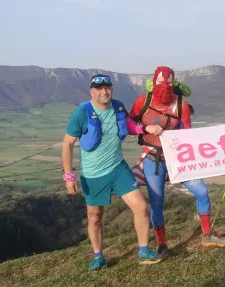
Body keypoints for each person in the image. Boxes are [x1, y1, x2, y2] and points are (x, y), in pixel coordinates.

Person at [61, 74, 164, 271]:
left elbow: (129, 126)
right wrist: (68, 176)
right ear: (92, 92)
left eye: (108, 87)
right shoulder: (81, 113)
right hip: (93, 174)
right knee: (95, 217)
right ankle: (98, 256)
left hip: (118, 168)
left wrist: (146, 128)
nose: (104, 91)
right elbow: (67, 143)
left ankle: (143, 251)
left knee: (141, 207)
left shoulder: (117, 106)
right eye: (99, 89)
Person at [129, 66, 225, 258]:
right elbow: (129, 124)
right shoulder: (143, 101)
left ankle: (207, 235)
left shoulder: (181, 105)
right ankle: (162, 246)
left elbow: (188, 133)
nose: (164, 85)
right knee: (157, 203)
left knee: (201, 191)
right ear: (154, 81)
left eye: (168, 82)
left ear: (174, 83)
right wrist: (145, 128)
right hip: (153, 158)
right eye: (160, 81)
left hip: (178, 159)